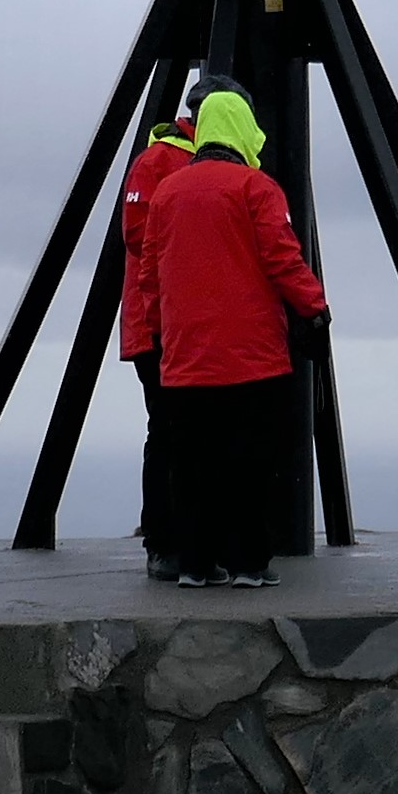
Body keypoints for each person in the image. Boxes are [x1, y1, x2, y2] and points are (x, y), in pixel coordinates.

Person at [135, 89, 325, 590]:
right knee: (251, 461)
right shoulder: (257, 188)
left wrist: (162, 330)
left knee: (191, 464)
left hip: (185, 357)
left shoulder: (168, 192)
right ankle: (249, 564)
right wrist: (314, 308)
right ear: (242, 127)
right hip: (252, 356)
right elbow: (283, 258)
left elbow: (149, 273)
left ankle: (195, 565)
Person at [113, 74, 241, 580]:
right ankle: (164, 544)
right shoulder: (157, 160)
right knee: (168, 429)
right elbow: (138, 236)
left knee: (204, 433)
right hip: (160, 324)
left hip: (201, 324)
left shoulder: (223, 165)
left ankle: (202, 545)